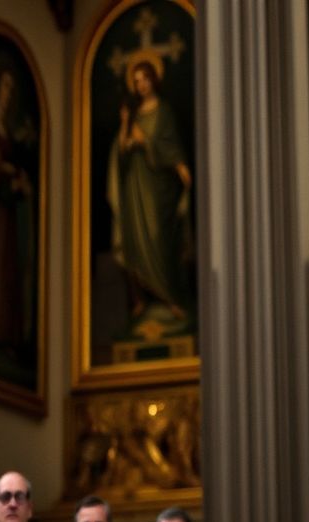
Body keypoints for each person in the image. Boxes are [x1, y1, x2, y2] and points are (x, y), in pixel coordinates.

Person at [107, 58, 193, 334]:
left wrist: (179, 166)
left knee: (158, 236)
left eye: (145, 78)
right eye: (137, 80)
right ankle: (142, 301)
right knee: (135, 241)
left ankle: (171, 299)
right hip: (135, 189)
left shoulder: (164, 111)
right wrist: (124, 127)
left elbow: (170, 146)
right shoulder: (132, 114)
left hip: (158, 189)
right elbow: (120, 155)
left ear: (154, 79)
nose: (141, 84)